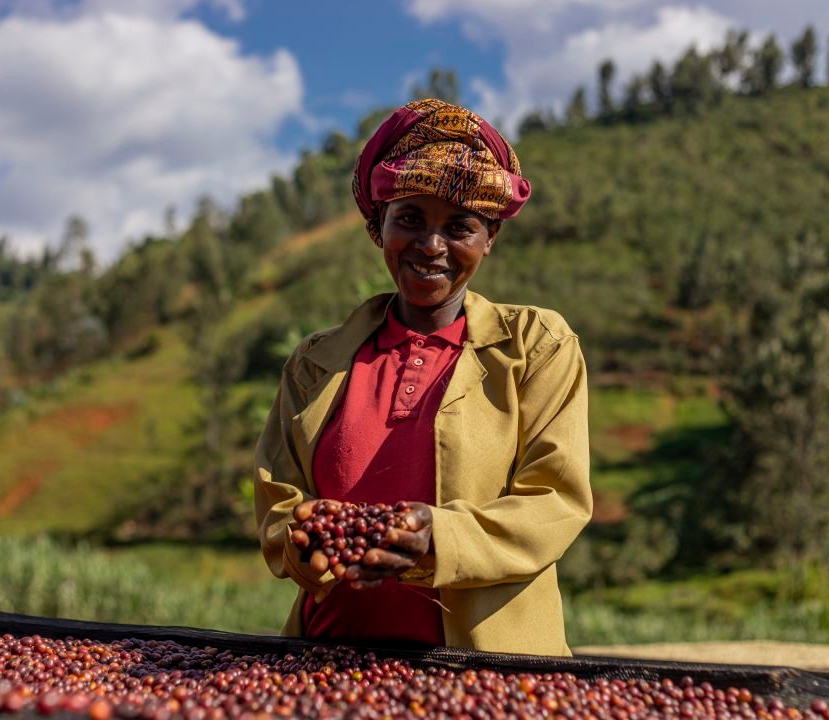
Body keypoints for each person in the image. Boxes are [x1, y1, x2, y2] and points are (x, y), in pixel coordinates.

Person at [254, 99, 592, 656]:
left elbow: (554, 501)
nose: (431, 246)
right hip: (325, 663)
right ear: (377, 226)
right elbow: (278, 502)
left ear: (490, 239)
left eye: (459, 226)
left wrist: (438, 537)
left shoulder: (536, 347)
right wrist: (302, 533)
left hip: (491, 676)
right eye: (409, 218)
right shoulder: (314, 363)